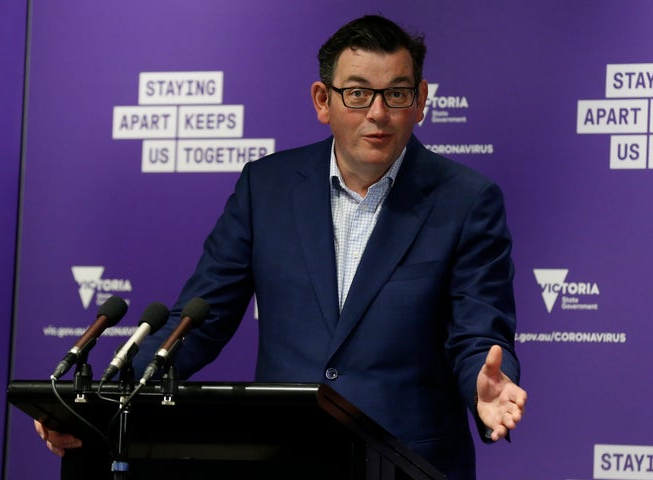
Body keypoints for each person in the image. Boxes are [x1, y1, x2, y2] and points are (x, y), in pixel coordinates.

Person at [36, 14, 526, 479]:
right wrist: (98, 402)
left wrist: (486, 392)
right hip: (286, 458)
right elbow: (196, 322)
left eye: (396, 94)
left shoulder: (466, 201)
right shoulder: (265, 188)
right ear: (322, 100)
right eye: (357, 93)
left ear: (420, 101)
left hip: (409, 464)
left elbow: (477, 335)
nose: (378, 113)